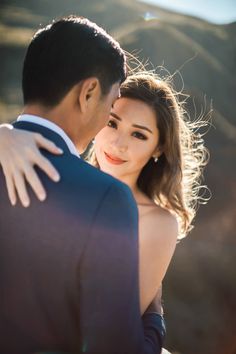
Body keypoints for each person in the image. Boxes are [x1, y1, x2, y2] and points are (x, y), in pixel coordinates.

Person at [0, 70, 208, 350]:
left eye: (138, 134)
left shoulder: (156, 223)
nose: (118, 143)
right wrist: (5, 135)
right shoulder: (63, 178)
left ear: (158, 148)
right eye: (112, 123)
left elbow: (116, 332)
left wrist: (155, 322)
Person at [0, 16, 167, 354]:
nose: (109, 117)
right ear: (89, 92)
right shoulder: (107, 199)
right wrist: (155, 320)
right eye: (112, 102)